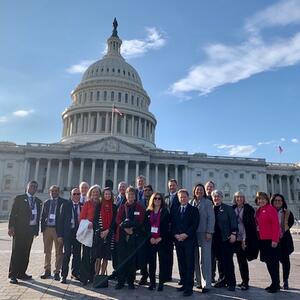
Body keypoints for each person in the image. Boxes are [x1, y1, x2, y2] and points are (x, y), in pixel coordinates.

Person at [8, 180, 42, 284]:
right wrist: (11, 227)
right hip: (19, 230)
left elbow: (37, 217)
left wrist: (36, 230)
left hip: (30, 230)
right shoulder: (19, 198)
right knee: (16, 252)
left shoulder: (38, 201)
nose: (33, 188)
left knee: (26, 252)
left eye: (35, 186)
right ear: (27, 187)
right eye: (31, 186)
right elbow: (13, 213)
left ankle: (22, 273)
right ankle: (13, 274)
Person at [115, 186, 145, 290]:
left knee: (131, 260)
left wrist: (132, 229)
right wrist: (125, 228)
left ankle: (131, 281)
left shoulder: (139, 207)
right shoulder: (122, 207)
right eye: (129, 194)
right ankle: (120, 281)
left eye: (132, 194)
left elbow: (141, 221)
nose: (130, 196)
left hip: (134, 236)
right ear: (126, 195)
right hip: (122, 236)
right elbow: (118, 219)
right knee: (121, 260)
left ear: (135, 196)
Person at [172, 189, 199, 297]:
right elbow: (173, 224)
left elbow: (195, 225)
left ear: (188, 198)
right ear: (178, 199)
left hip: (189, 241)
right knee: (181, 263)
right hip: (178, 241)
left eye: (184, 197)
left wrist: (185, 235)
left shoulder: (194, 210)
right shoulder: (176, 210)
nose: (182, 199)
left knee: (189, 264)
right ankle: (183, 283)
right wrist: (176, 235)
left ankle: (189, 287)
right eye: (181, 197)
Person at [190, 183, 215, 293]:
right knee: (195, 259)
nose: (199, 191)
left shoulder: (208, 202)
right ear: (194, 191)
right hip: (193, 234)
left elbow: (211, 218)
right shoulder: (191, 202)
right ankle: (199, 282)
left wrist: (209, 231)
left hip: (205, 233)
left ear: (204, 191)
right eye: (197, 189)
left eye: (201, 190)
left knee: (205, 259)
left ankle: (207, 284)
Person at [212, 190, 238, 291]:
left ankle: (231, 282)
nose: (216, 198)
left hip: (226, 238)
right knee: (220, 261)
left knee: (228, 261)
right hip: (215, 239)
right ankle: (222, 279)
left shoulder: (227, 208)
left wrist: (234, 233)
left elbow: (233, 221)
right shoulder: (211, 208)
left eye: (218, 196)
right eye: (214, 196)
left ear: (222, 197)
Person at [232, 191, 258, 290]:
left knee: (243, 261)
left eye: (241, 197)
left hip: (243, 238)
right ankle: (238, 280)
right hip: (235, 237)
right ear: (234, 199)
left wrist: (244, 239)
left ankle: (245, 282)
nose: (239, 199)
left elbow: (250, 225)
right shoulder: (233, 208)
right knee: (238, 260)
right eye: (237, 197)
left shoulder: (248, 209)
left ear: (244, 198)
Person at [255, 192, 280, 293]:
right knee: (269, 263)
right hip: (262, 240)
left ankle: (276, 284)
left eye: (263, 199)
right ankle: (274, 283)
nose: (261, 201)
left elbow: (276, 225)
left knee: (273, 263)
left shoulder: (271, 209)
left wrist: (275, 240)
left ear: (267, 200)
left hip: (270, 240)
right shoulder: (259, 210)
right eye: (259, 199)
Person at [145, 192, 170, 291]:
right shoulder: (148, 211)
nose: (157, 200)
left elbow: (167, 227)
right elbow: (146, 226)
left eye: (159, 199)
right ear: (152, 199)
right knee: (151, 263)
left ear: (162, 200)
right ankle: (152, 282)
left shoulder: (165, 211)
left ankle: (161, 283)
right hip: (151, 240)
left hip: (161, 240)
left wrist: (161, 238)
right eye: (155, 198)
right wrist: (150, 238)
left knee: (162, 262)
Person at [40, 185, 66, 280]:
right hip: (47, 228)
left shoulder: (63, 202)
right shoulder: (46, 202)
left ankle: (57, 271)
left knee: (59, 251)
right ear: (49, 192)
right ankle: (47, 270)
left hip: (57, 229)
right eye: (52, 191)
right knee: (47, 251)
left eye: (56, 191)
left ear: (59, 192)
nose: (54, 192)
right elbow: (43, 216)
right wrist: (43, 229)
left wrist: (62, 232)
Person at [57, 188, 82, 283]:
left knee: (77, 254)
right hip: (68, 233)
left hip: (78, 234)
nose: (76, 196)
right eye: (74, 194)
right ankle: (63, 275)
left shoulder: (82, 206)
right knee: (67, 254)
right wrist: (60, 235)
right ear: (71, 195)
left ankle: (75, 273)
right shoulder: (65, 205)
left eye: (78, 194)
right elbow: (60, 221)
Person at [271, 193, 294, 290]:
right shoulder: (270, 211)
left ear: (282, 202)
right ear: (273, 202)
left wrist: (283, 230)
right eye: (276, 200)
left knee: (285, 261)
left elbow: (291, 222)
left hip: (284, 239)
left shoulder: (287, 212)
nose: (277, 202)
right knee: (274, 261)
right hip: (273, 239)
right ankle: (276, 281)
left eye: (279, 200)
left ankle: (285, 280)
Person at [79, 184, 101, 285]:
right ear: (90, 193)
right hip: (88, 231)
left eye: (97, 192)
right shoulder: (87, 203)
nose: (95, 194)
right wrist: (88, 223)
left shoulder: (101, 204)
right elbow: (82, 217)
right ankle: (84, 277)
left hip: (97, 231)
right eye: (93, 192)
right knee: (86, 255)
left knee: (94, 255)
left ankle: (92, 276)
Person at [93, 187, 117, 277]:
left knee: (106, 257)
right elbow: (95, 220)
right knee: (98, 257)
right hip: (99, 233)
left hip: (109, 234)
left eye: (109, 194)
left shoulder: (114, 207)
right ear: (103, 195)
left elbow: (115, 221)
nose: (107, 195)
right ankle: (96, 275)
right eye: (106, 194)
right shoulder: (99, 205)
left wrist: (107, 230)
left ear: (111, 196)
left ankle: (102, 276)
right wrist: (100, 231)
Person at [164, 179, 180, 282]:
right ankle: (167, 275)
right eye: (170, 186)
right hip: (167, 229)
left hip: (177, 228)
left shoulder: (180, 197)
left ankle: (183, 277)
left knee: (180, 253)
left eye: (173, 185)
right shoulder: (165, 198)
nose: (172, 187)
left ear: (176, 186)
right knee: (167, 253)